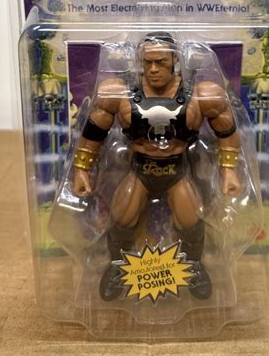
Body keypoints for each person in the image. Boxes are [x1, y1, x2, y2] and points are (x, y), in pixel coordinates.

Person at [72, 32, 242, 301]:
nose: (153, 69)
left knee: (190, 219)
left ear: (175, 61)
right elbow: (93, 135)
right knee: (123, 216)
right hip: (141, 169)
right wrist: (82, 169)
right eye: (147, 62)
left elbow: (227, 133)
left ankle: (193, 265)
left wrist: (229, 170)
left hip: (177, 170)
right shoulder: (118, 93)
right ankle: (118, 267)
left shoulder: (201, 95)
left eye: (160, 62)